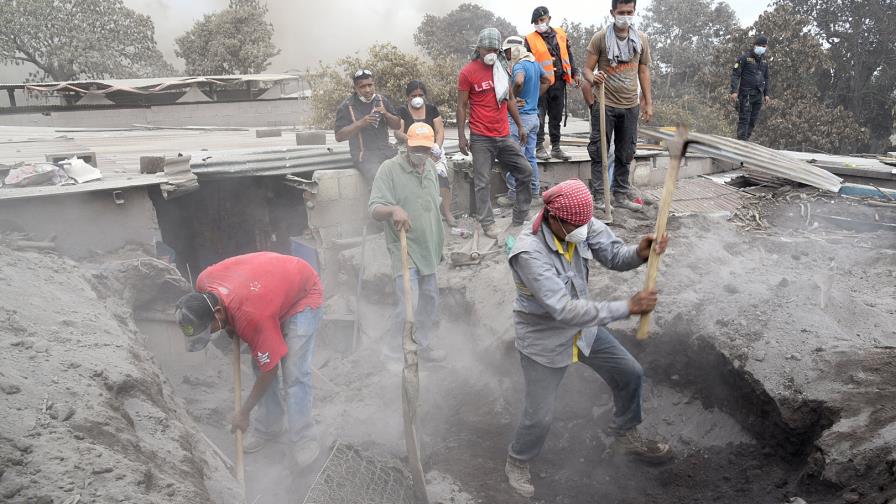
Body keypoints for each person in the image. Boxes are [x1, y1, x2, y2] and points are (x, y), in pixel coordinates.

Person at [503, 179, 671, 497]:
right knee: (539, 414)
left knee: (630, 373)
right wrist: (627, 307)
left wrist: (638, 252)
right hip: (544, 340)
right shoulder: (529, 253)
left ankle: (624, 434)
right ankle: (517, 460)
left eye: (586, 223)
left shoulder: (578, 219)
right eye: (577, 225)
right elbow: (563, 310)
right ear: (553, 217)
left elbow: (612, 255)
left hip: (584, 332)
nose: (585, 229)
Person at [174, 252, 324, 466]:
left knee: (294, 373)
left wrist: (244, 412)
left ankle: (303, 438)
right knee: (259, 361)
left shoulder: (251, 316)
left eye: (210, 329)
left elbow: (270, 370)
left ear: (217, 312)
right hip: (267, 293)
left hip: (302, 294)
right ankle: (270, 426)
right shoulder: (203, 283)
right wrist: (228, 326)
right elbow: (261, 358)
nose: (211, 333)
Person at [369, 122, 446, 363]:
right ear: (406, 145)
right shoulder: (389, 169)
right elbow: (374, 209)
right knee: (408, 304)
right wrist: (393, 209)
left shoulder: (431, 168)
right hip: (405, 247)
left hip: (429, 247)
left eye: (425, 148)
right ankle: (394, 352)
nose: (420, 153)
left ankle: (421, 345)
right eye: (416, 148)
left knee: (430, 300)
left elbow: (433, 206)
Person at [458, 27, 533, 239]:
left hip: (503, 134)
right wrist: (463, 136)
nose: (491, 52)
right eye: (487, 48)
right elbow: (462, 105)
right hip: (481, 137)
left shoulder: (502, 69)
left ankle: (520, 214)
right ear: (479, 48)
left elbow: (510, 99)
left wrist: (519, 125)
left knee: (525, 170)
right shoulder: (467, 72)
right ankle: (488, 223)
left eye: (495, 48)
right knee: (482, 181)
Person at [584, 0, 653, 212]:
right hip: (605, 104)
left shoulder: (641, 39)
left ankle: (620, 195)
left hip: (630, 105)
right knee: (599, 152)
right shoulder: (601, 38)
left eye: (629, 12)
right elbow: (586, 70)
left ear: (634, 12)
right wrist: (594, 77)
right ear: (612, 12)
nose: (625, 16)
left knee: (626, 152)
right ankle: (598, 196)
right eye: (621, 12)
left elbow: (643, 71)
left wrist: (648, 102)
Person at [498, 37, 552, 209]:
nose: (506, 55)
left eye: (507, 51)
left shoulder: (520, 65)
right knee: (530, 157)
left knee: (515, 158)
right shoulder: (534, 63)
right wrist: (533, 97)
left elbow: (519, 81)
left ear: (514, 50)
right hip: (534, 118)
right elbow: (547, 81)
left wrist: (512, 97)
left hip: (520, 118)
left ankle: (514, 194)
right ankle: (535, 193)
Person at [525, 6, 582, 162]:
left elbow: (568, 54)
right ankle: (539, 146)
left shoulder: (561, 34)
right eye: (536, 22)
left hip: (559, 82)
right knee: (539, 116)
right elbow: (527, 62)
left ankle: (556, 147)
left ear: (549, 19)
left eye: (542, 20)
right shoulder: (529, 39)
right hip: (540, 85)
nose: (539, 23)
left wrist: (575, 72)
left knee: (556, 116)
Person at [395, 80, 456, 226]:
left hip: (430, 149)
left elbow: (440, 130)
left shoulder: (431, 109)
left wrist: (437, 146)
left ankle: (446, 211)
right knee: (412, 180)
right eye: (413, 95)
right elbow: (398, 132)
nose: (417, 98)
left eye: (420, 95)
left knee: (441, 177)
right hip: (410, 149)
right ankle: (417, 214)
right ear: (407, 97)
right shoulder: (402, 111)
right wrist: (412, 140)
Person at [334, 69, 402, 182]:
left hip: (386, 151)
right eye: (362, 87)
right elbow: (339, 137)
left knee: (405, 175)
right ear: (355, 88)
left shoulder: (381, 100)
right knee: (379, 179)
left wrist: (386, 114)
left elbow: (397, 125)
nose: (368, 90)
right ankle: (379, 200)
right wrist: (361, 123)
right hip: (364, 155)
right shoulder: (347, 106)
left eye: (370, 85)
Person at [730, 35, 771, 141]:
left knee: (753, 120)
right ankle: (741, 140)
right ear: (755, 45)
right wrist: (734, 91)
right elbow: (735, 74)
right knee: (744, 118)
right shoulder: (744, 58)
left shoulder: (764, 62)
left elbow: (766, 78)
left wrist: (766, 94)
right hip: (746, 94)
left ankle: (746, 139)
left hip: (758, 95)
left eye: (765, 46)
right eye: (761, 45)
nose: (763, 48)